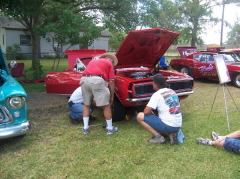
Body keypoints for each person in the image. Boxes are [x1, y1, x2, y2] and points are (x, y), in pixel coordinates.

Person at [137, 74, 182, 144]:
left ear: (156, 84)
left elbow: (145, 112)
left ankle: (158, 138)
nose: (151, 83)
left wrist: (150, 111)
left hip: (168, 125)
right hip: (177, 125)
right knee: (158, 122)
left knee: (140, 116)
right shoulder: (171, 91)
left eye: (153, 81)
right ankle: (171, 134)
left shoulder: (156, 95)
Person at [80, 53, 118, 135]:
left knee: (86, 104)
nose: (112, 63)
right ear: (108, 58)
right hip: (97, 80)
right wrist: (112, 95)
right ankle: (110, 128)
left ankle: (85, 128)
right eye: (112, 61)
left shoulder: (92, 62)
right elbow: (111, 82)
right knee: (106, 105)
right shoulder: (108, 63)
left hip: (84, 80)